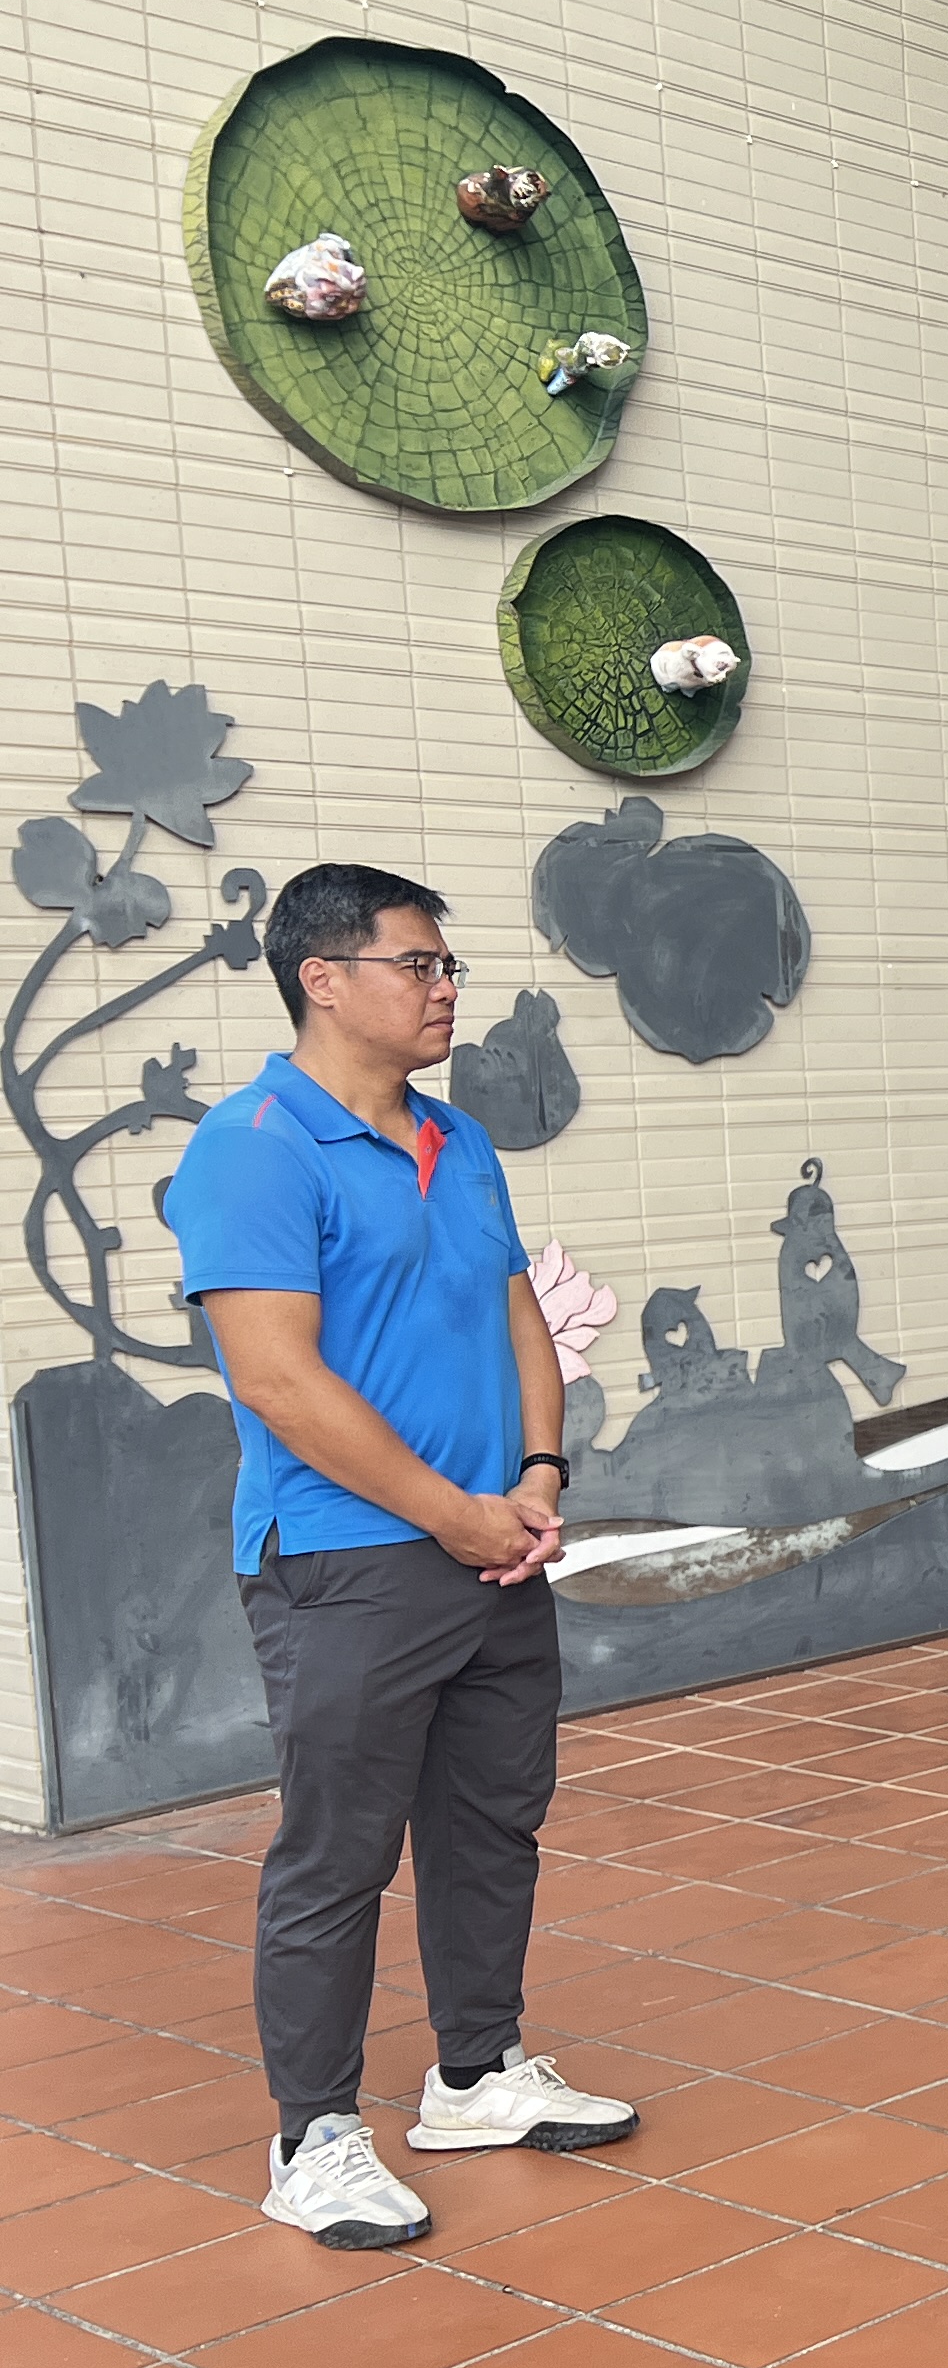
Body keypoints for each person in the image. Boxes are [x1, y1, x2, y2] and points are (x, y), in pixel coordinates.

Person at [159, 865, 632, 2254]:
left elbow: (515, 1308)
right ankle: (311, 2138)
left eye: (446, 967)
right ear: (323, 979)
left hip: (492, 1543)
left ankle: (476, 2077)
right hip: (346, 1560)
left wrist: (537, 1475)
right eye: (418, 965)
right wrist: (448, 1511)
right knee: (339, 1854)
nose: (445, 990)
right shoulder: (253, 1148)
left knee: (491, 1825)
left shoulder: (457, 1138)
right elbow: (279, 1380)